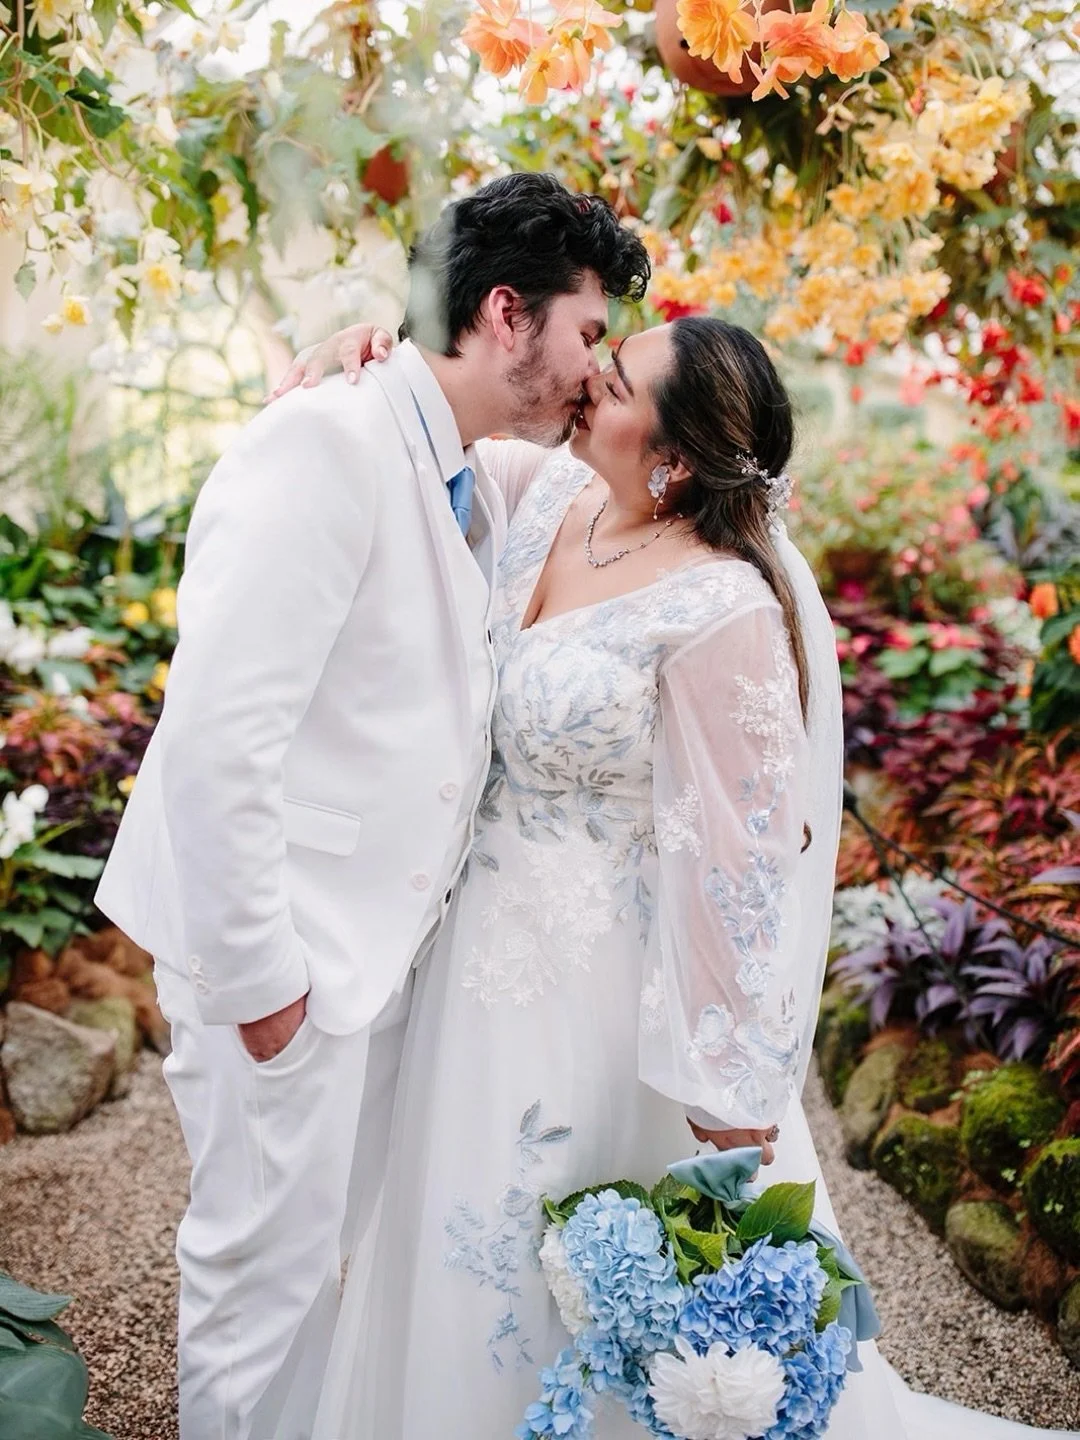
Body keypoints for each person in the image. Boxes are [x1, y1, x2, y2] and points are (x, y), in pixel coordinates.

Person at [274, 320, 1069, 1440]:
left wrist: (728, 1106)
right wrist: (368, 351)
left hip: (599, 1006)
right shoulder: (545, 497)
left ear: (680, 453)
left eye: (622, 374)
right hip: (470, 974)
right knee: (447, 1246)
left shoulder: (726, 607)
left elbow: (734, 866)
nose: (594, 372)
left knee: (587, 1277)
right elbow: (429, 440)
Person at [93, 171, 652, 1440]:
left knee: (314, 1286)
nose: (592, 366)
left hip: (361, 962)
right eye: (583, 332)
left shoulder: (455, 464)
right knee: (257, 1283)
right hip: (286, 966)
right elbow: (221, 742)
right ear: (505, 314)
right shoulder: (326, 441)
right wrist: (266, 993)